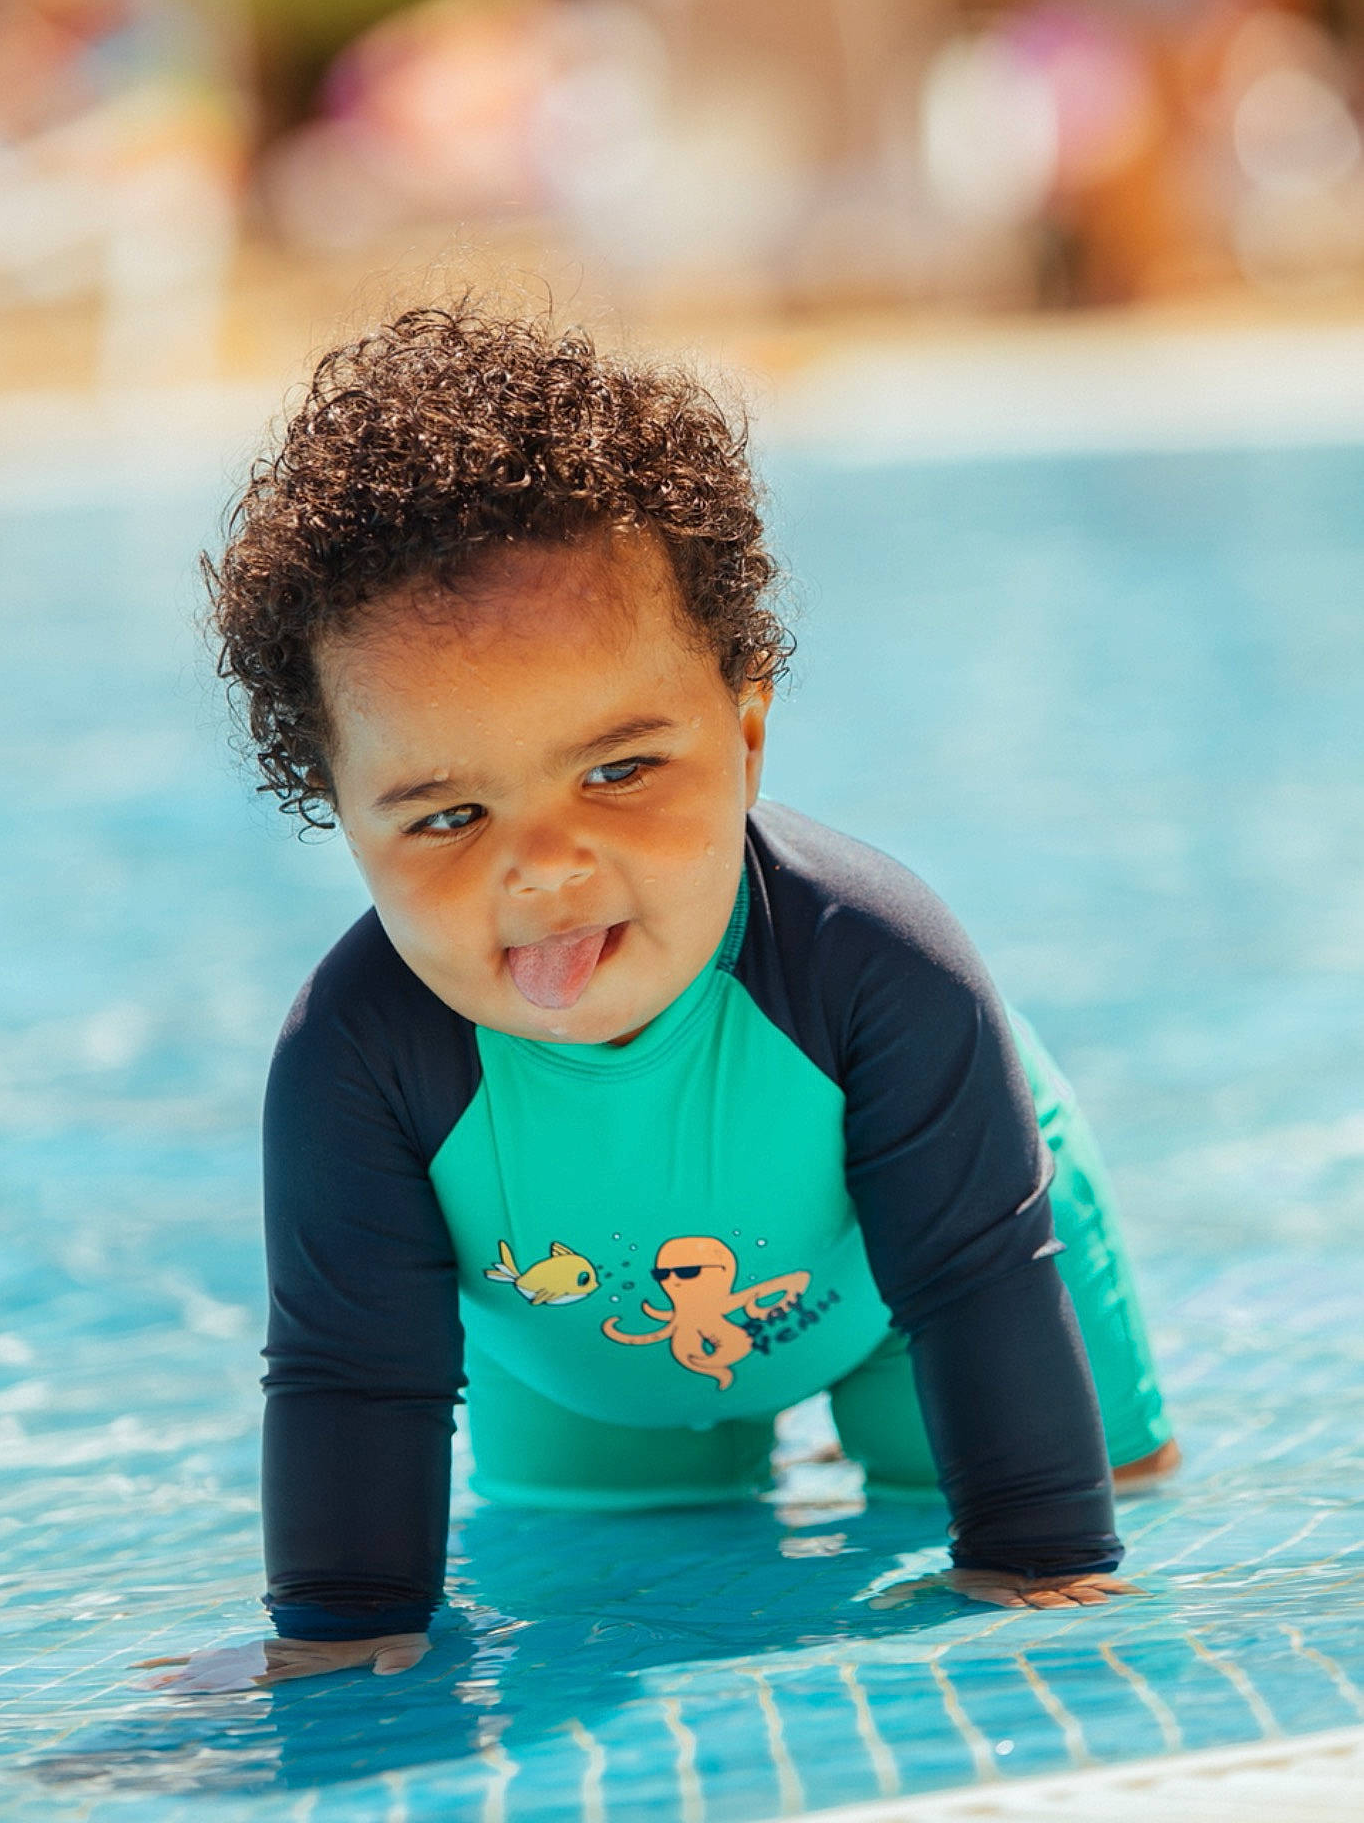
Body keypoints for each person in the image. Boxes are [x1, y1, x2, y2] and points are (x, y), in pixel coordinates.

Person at [137, 303, 1175, 1694]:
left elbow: (979, 1286)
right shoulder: (355, 1060)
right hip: (587, 1357)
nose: (545, 867)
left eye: (618, 771)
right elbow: (356, 1380)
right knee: (601, 1557)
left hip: (923, 1281)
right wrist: (332, 1635)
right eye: (446, 815)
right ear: (340, 814)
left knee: (1078, 1504)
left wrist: (1039, 1560)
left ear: (744, 733)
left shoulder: (874, 962)